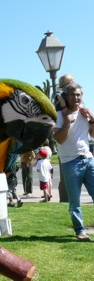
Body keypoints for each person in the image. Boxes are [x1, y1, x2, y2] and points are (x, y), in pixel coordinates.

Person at [53, 82, 94, 242]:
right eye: (72, 94)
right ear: (66, 97)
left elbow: (92, 135)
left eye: (78, 94)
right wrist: (67, 123)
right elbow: (59, 140)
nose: (76, 97)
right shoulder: (59, 116)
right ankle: (80, 231)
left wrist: (92, 119)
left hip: (88, 160)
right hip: (70, 163)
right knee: (75, 201)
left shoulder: (85, 113)